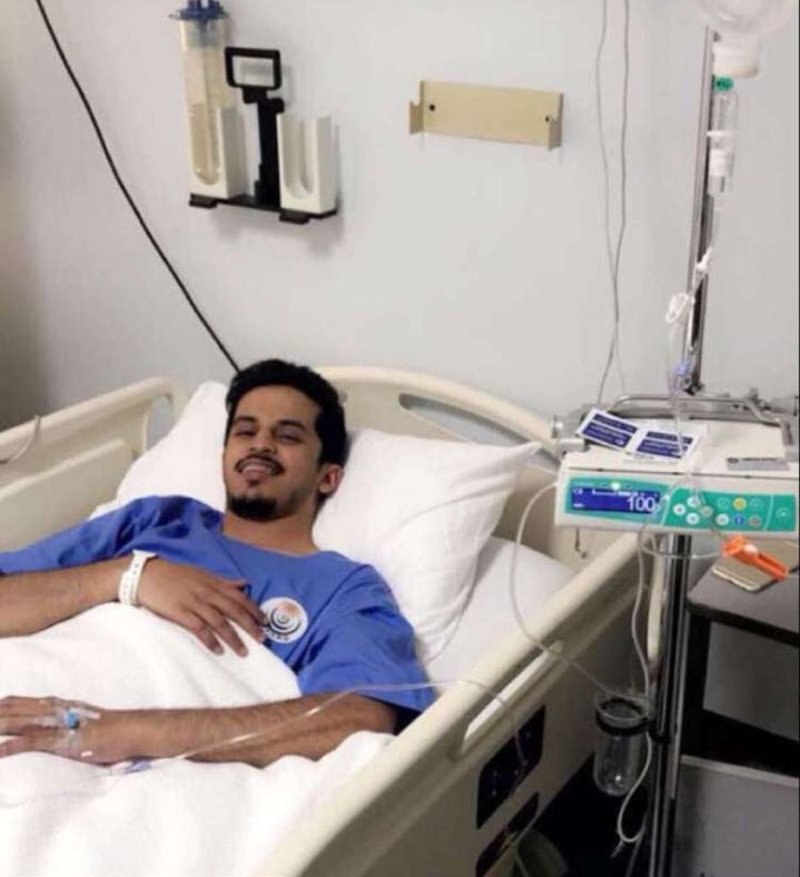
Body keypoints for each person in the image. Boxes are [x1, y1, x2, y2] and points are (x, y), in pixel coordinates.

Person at [0, 359, 433, 767]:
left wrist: (121, 730)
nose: (260, 444)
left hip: (124, 755)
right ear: (225, 454)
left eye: (287, 436)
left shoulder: (341, 586)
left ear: (328, 476)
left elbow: (361, 716)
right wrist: (129, 576)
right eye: (246, 431)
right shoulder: (155, 520)